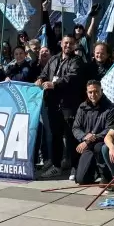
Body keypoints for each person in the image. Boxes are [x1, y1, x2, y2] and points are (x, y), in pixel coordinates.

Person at [36, 35, 83, 179]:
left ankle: (75, 167)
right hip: (52, 104)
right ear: (61, 44)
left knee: (71, 137)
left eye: (71, 43)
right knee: (55, 136)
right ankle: (56, 166)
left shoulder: (77, 60)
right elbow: (44, 74)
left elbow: (72, 76)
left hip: (68, 104)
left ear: (75, 45)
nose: (68, 45)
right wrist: (40, 80)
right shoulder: (53, 59)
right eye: (65, 43)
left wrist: (54, 84)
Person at [71, 80, 114, 184]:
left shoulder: (110, 108)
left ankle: (105, 175)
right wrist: (84, 137)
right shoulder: (82, 107)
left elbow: (109, 130)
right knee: (81, 180)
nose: (93, 95)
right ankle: (94, 171)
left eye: (96, 91)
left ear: (102, 91)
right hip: (87, 144)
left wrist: (92, 138)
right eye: (90, 92)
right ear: (86, 93)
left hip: (102, 143)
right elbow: (76, 128)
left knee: (99, 147)